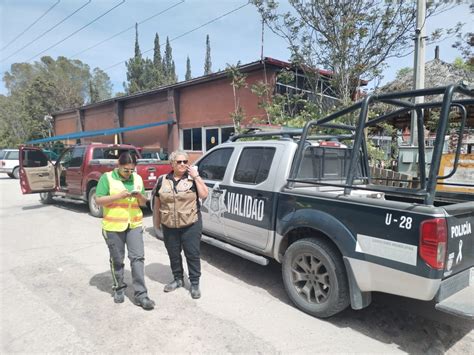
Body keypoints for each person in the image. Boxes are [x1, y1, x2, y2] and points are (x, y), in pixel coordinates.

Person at [95, 152, 155, 310]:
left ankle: (141, 294)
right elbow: (98, 200)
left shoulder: (137, 179)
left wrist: (140, 197)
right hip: (113, 226)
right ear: (118, 165)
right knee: (118, 260)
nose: (129, 173)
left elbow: (143, 203)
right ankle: (119, 288)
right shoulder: (107, 178)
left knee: (138, 258)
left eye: (131, 170)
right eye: (125, 170)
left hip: (134, 224)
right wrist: (118, 196)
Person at [153, 150, 208, 299]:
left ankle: (195, 283)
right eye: (179, 162)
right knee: (173, 254)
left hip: (191, 224)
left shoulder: (192, 180)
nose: (183, 164)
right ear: (172, 164)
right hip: (169, 225)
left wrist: (196, 177)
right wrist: (156, 224)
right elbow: (157, 202)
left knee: (192, 254)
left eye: (185, 161)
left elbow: (204, 194)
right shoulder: (162, 180)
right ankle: (178, 279)